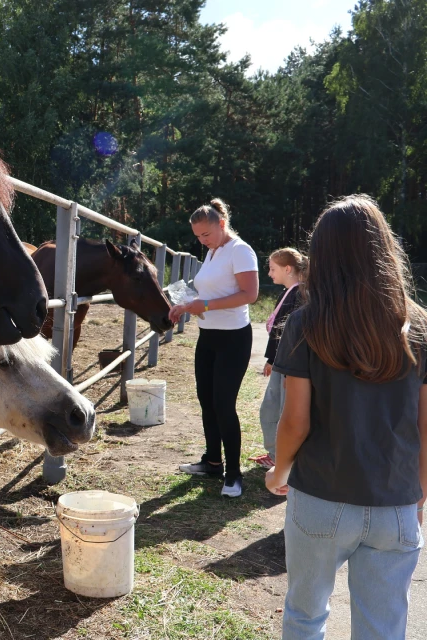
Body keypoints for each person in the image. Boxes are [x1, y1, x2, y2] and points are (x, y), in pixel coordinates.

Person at [266, 194, 426, 639]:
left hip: (319, 496)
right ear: (384, 248)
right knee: (383, 627)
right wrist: (419, 496)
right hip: (395, 502)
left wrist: (279, 471)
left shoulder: (305, 322)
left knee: (305, 615)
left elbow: (294, 420)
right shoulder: (420, 327)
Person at [169, 198, 259, 498]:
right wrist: (184, 305)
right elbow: (208, 291)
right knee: (206, 401)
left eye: (206, 234)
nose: (202, 241)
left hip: (233, 338)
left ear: (221, 224)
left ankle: (234, 474)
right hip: (207, 337)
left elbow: (250, 294)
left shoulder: (240, 250)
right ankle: (212, 462)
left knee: (224, 405)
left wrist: (204, 304)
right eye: (197, 237)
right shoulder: (212, 252)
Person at [250, 248, 307, 469]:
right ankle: (278, 453)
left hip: (286, 365)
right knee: (274, 408)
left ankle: (279, 456)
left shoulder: (298, 294)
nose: (270, 274)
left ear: (288, 268)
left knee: (274, 410)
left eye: (273, 269)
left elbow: (284, 333)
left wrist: (273, 359)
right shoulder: (291, 291)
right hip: (283, 363)